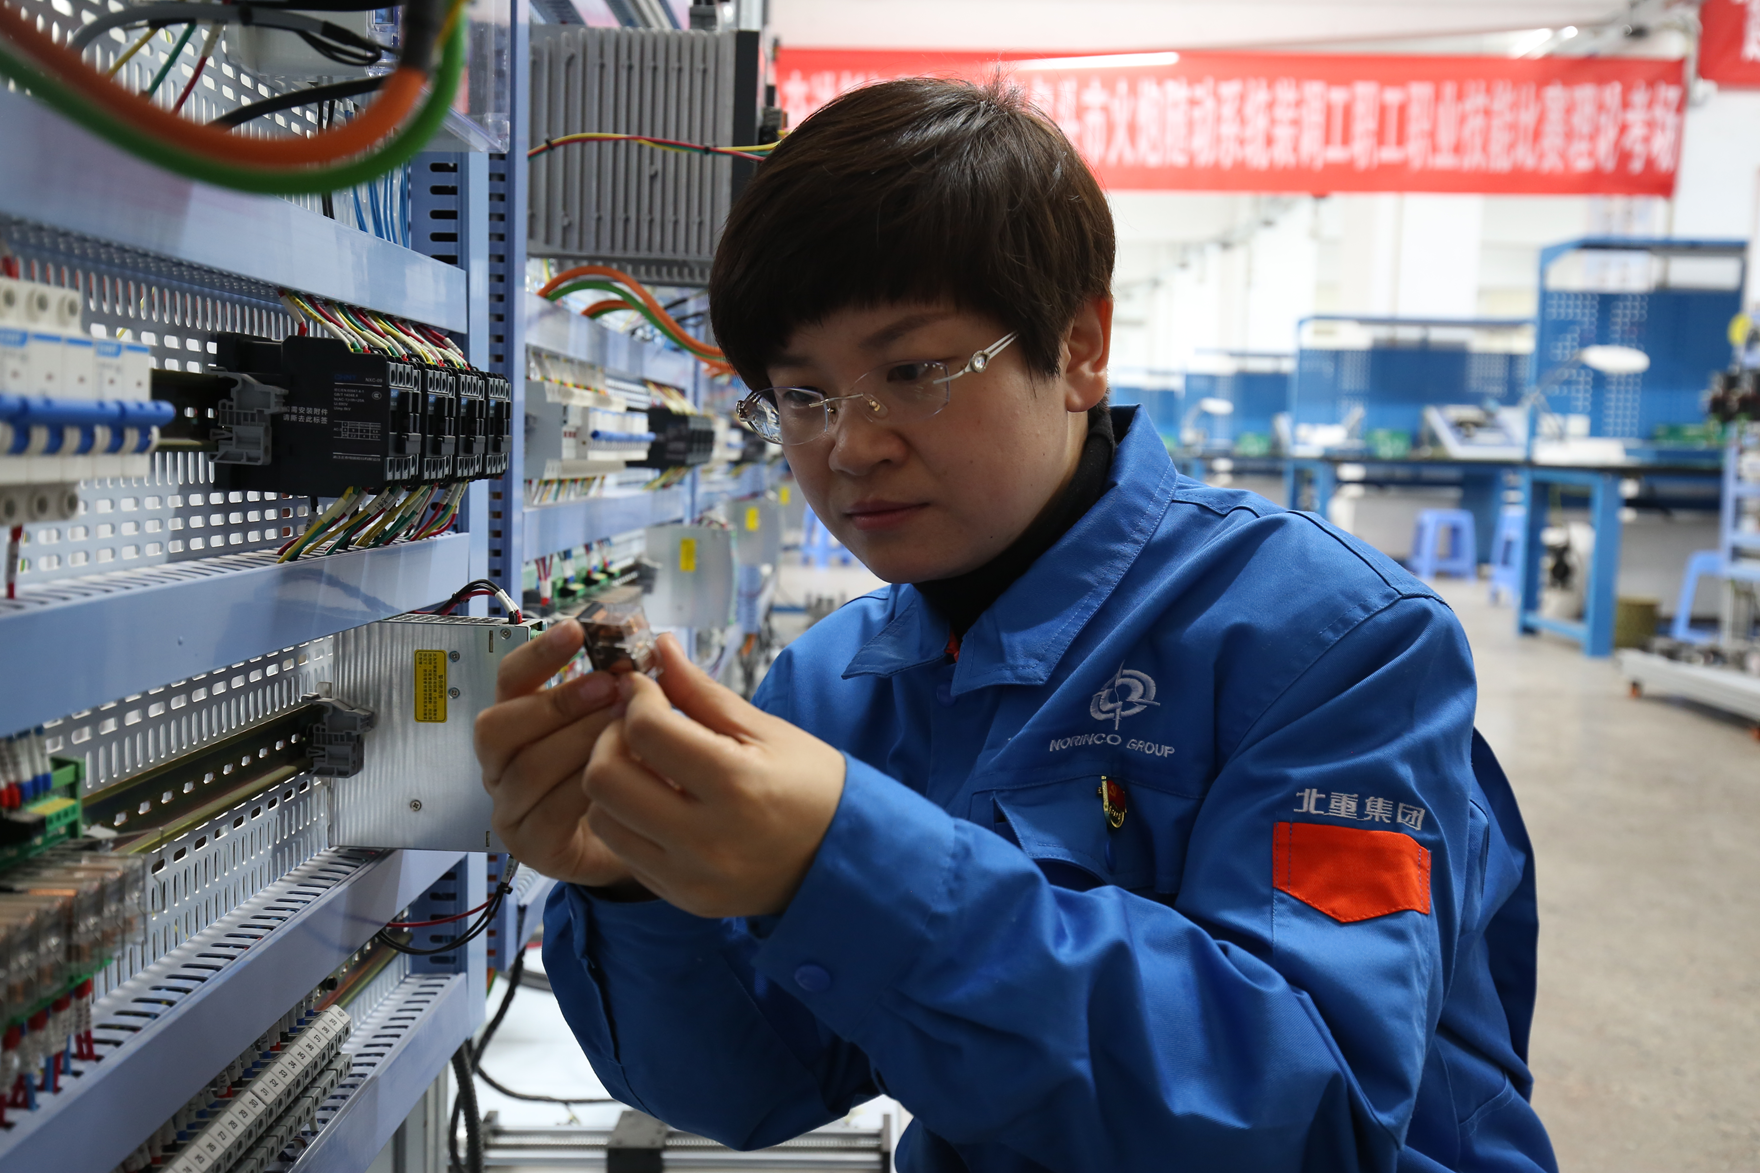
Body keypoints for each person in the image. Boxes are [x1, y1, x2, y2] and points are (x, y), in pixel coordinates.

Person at [475, 76, 1558, 1173]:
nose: (849, 445)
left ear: (1079, 346)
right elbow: (752, 1088)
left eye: (913, 372)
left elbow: (1310, 1115)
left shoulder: (1334, 642)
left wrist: (847, 863)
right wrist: (634, 886)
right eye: (801, 396)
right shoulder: (838, 684)